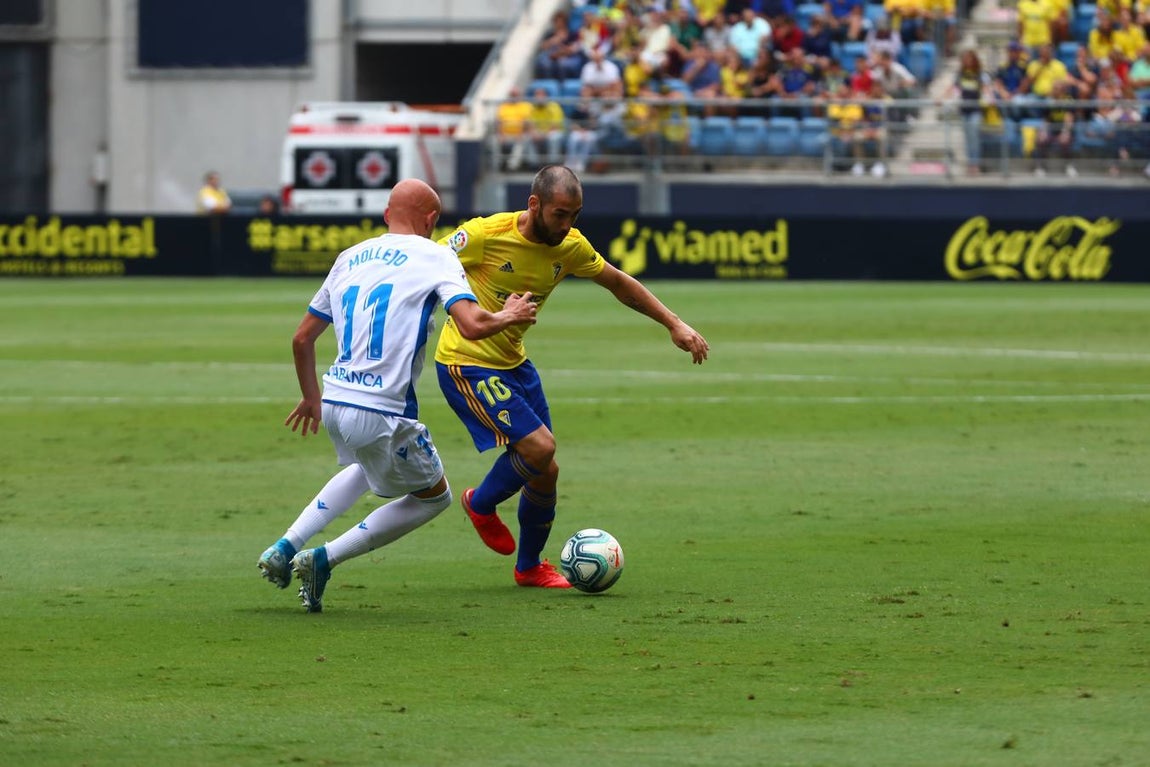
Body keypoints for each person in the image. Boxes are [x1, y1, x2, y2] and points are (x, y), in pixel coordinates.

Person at [256, 179, 538, 612]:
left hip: (334, 400)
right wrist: (510, 314)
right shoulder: (437, 255)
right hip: (383, 410)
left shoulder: (349, 256)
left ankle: (286, 543)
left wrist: (311, 398)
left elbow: (301, 339)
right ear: (430, 221)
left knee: (366, 466)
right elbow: (471, 325)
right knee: (435, 497)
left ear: (387, 214)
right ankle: (323, 558)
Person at [434, 165, 709, 589]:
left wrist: (674, 323)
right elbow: (427, 265)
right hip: (465, 360)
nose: (567, 225)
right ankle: (480, 503)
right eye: (560, 214)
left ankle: (528, 569)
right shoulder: (485, 234)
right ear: (534, 205)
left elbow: (619, 283)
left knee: (546, 470)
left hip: (513, 361)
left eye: (574, 215)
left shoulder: (571, 246)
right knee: (541, 447)